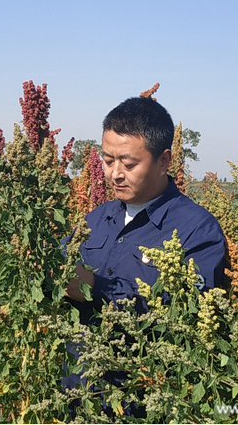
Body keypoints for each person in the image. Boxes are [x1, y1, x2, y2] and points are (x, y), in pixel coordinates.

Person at [61, 95, 227, 416]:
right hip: (77, 398)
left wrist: (91, 285)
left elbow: (185, 321)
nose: (115, 174)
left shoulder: (198, 231)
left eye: (129, 163)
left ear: (164, 160)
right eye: (108, 161)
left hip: (140, 406)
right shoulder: (97, 219)